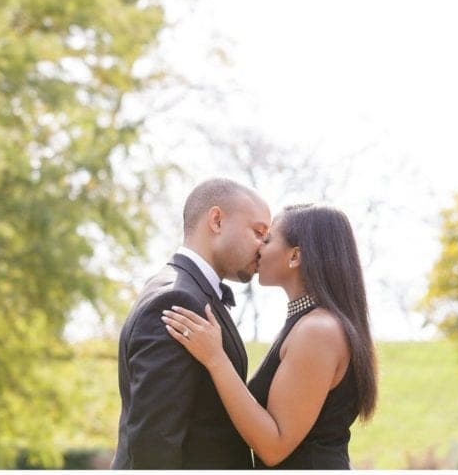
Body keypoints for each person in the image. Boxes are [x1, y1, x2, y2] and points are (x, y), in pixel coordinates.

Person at [162, 203, 377, 469]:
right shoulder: (309, 324)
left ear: (295, 256)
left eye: (268, 239)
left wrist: (216, 359)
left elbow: (274, 446)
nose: (258, 247)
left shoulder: (318, 331)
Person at [111, 178, 271, 469]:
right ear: (217, 220)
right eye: (258, 232)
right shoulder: (176, 299)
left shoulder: (189, 292)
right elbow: (153, 441)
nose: (263, 247)